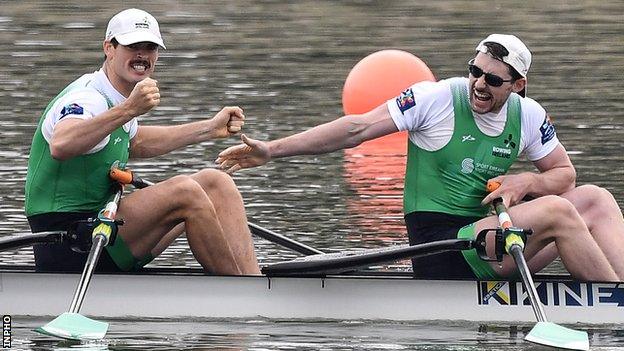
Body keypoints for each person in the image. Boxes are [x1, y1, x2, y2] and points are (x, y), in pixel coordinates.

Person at [216, 34, 624, 281]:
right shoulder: (435, 98)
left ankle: (615, 292)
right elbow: (356, 128)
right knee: (556, 212)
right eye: (475, 71)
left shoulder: (529, 115)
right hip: (440, 249)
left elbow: (564, 175)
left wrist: (528, 181)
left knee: (596, 199)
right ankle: (614, 309)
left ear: (518, 85)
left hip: (492, 240)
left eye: (494, 80)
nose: (479, 84)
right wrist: (272, 149)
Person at [24, 8, 259, 275]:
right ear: (109, 48)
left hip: (103, 228)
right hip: (68, 241)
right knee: (186, 191)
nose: (142, 55)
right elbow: (61, 144)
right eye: (132, 46)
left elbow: (135, 142)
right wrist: (129, 110)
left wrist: (208, 129)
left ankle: (253, 281)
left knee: (217, 183)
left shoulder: (116, 96)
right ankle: (241, 297)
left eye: (150, 47)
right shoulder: (87, 97)